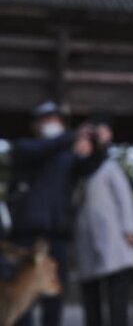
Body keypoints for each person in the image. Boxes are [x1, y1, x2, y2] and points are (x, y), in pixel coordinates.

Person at [8, 101, 99, 326]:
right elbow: (43, 148)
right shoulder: (26, 148)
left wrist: (96, 143)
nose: (52, 124)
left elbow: (88, 166)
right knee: (23, 295)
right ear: (35, 125)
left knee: (54, 295)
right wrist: (71, 137)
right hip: (27, 235)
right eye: (47, 119)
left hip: (56, 235)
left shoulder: (67, 159)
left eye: (55, 120)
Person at [73, 116, 133, 326]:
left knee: (117, 300)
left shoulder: (109, 168)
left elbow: (125, 200)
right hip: (87, 240)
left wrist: (130, 229)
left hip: (115, 240)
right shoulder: (76, 172)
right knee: (91, 298)